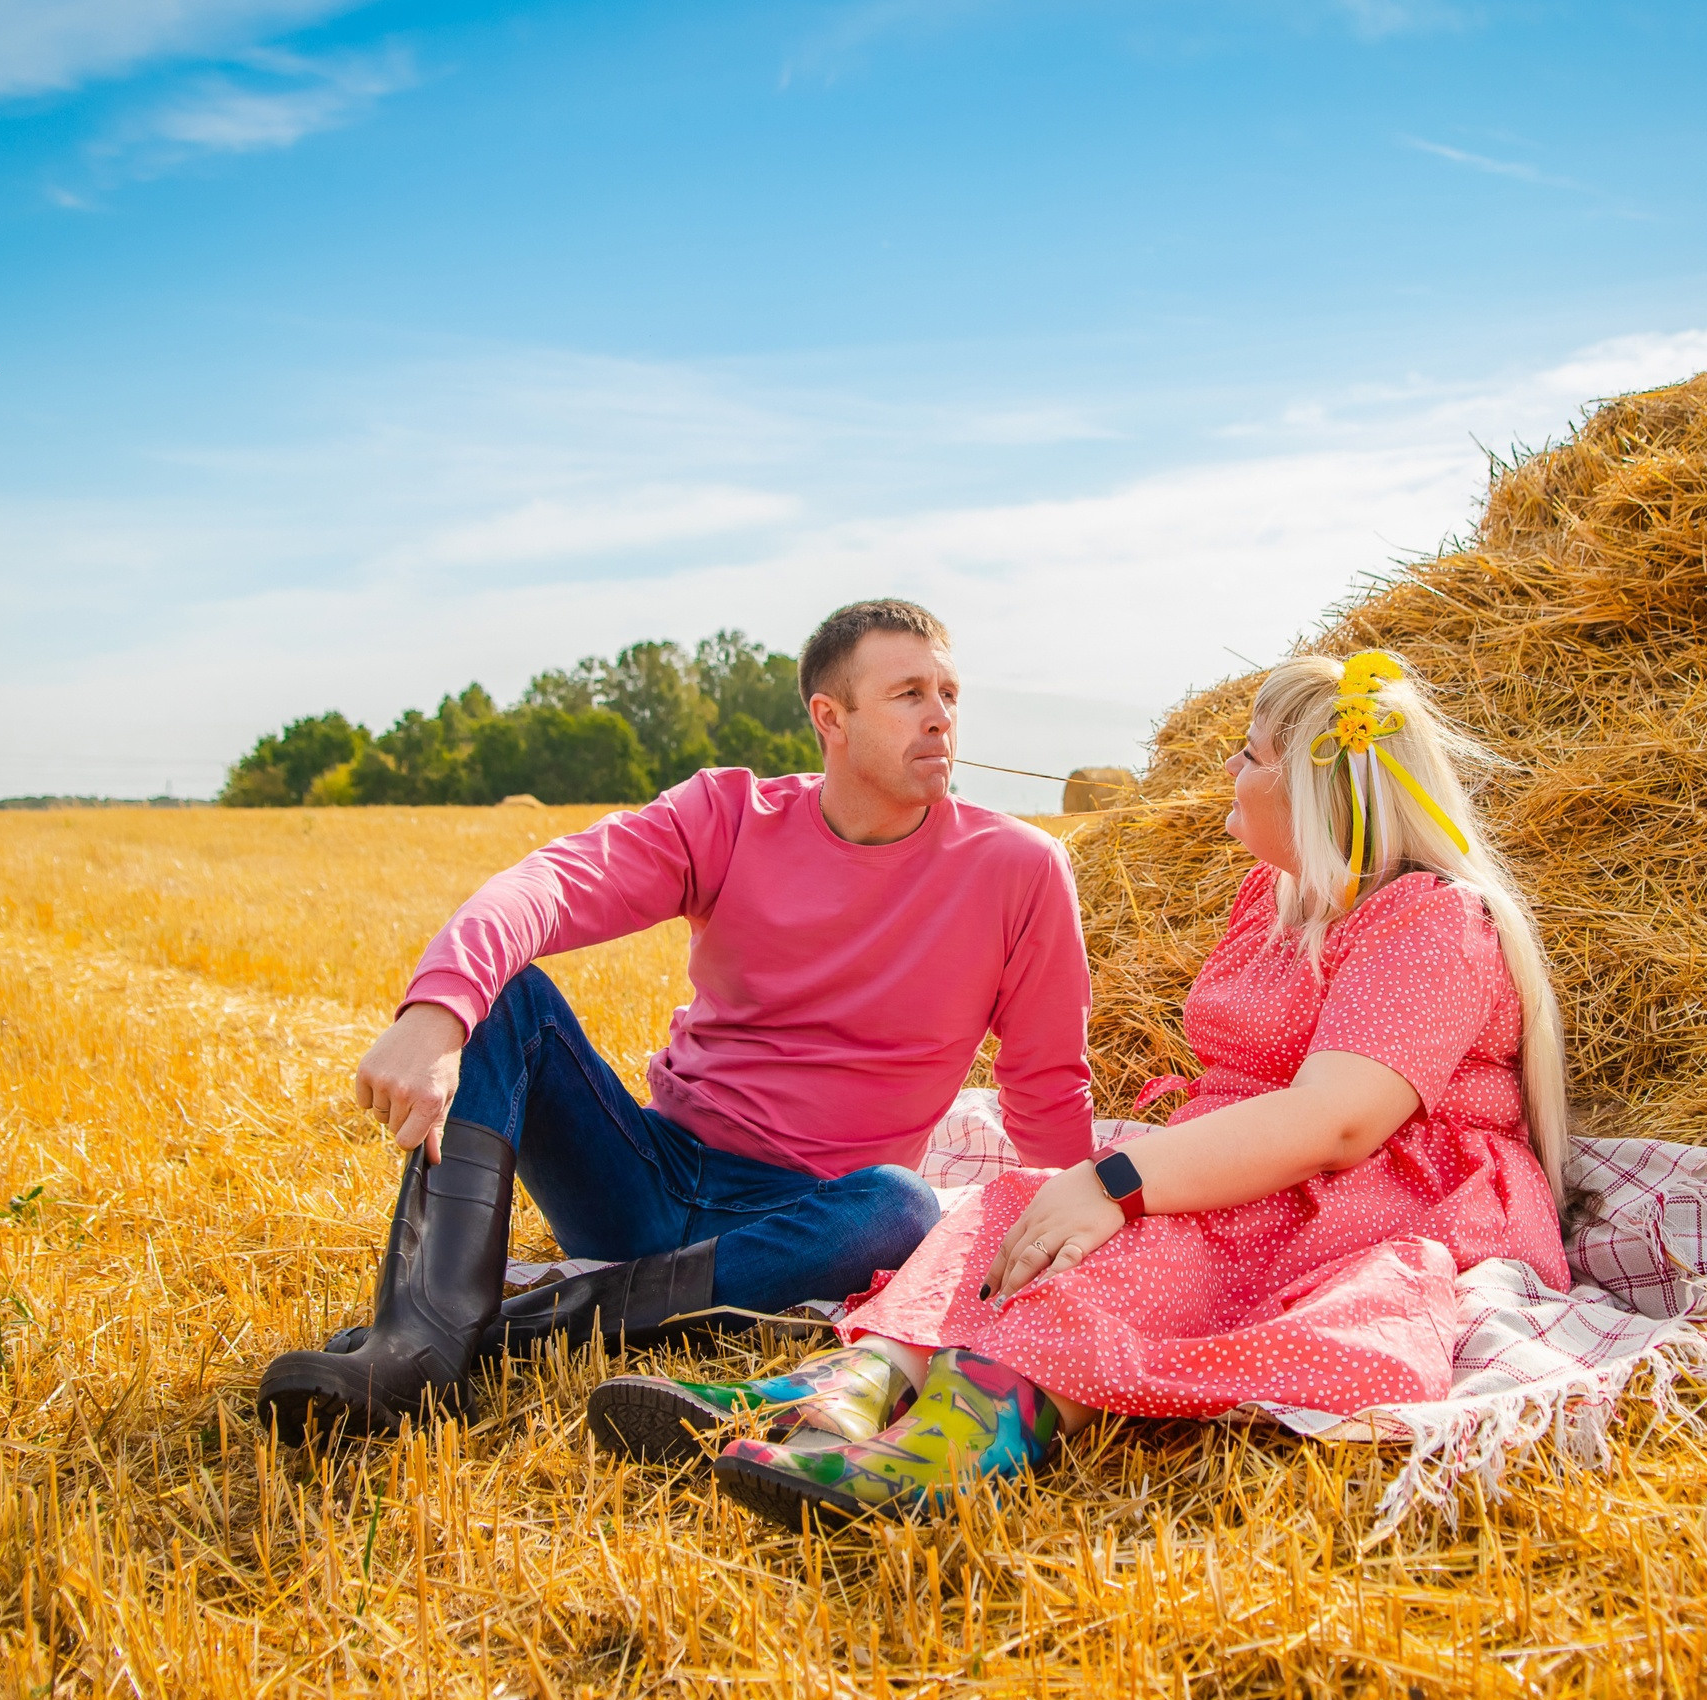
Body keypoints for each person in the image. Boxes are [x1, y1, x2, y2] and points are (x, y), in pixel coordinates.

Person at [593, 650, 1573, 1526]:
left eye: (1251, 752)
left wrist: (1116, 1180)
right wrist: (1095, 1180)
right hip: (1263, 1160)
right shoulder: (1278, 902)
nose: (1228, 766)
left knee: (1129, 1242)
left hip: (1373, 1185)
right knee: (1011, 1206)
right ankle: (841, 1389)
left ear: (1318, 789)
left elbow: (1338, 1121)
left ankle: (949, 1449)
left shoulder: (1433, 920)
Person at [257, 599, 1095, 1441]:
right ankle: (418, 1344)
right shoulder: (729, 817)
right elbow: (553, 883)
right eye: (909, 693)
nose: (941, 715)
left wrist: (1076, 1237)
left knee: (903, 1208)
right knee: (509, 997)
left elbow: (1047, 1087)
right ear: (830, 718)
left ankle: (522, 1331)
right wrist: (439, 1009)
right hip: (646, 1177)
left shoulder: (1020, 870)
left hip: (809, 1217)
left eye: (949, 693)